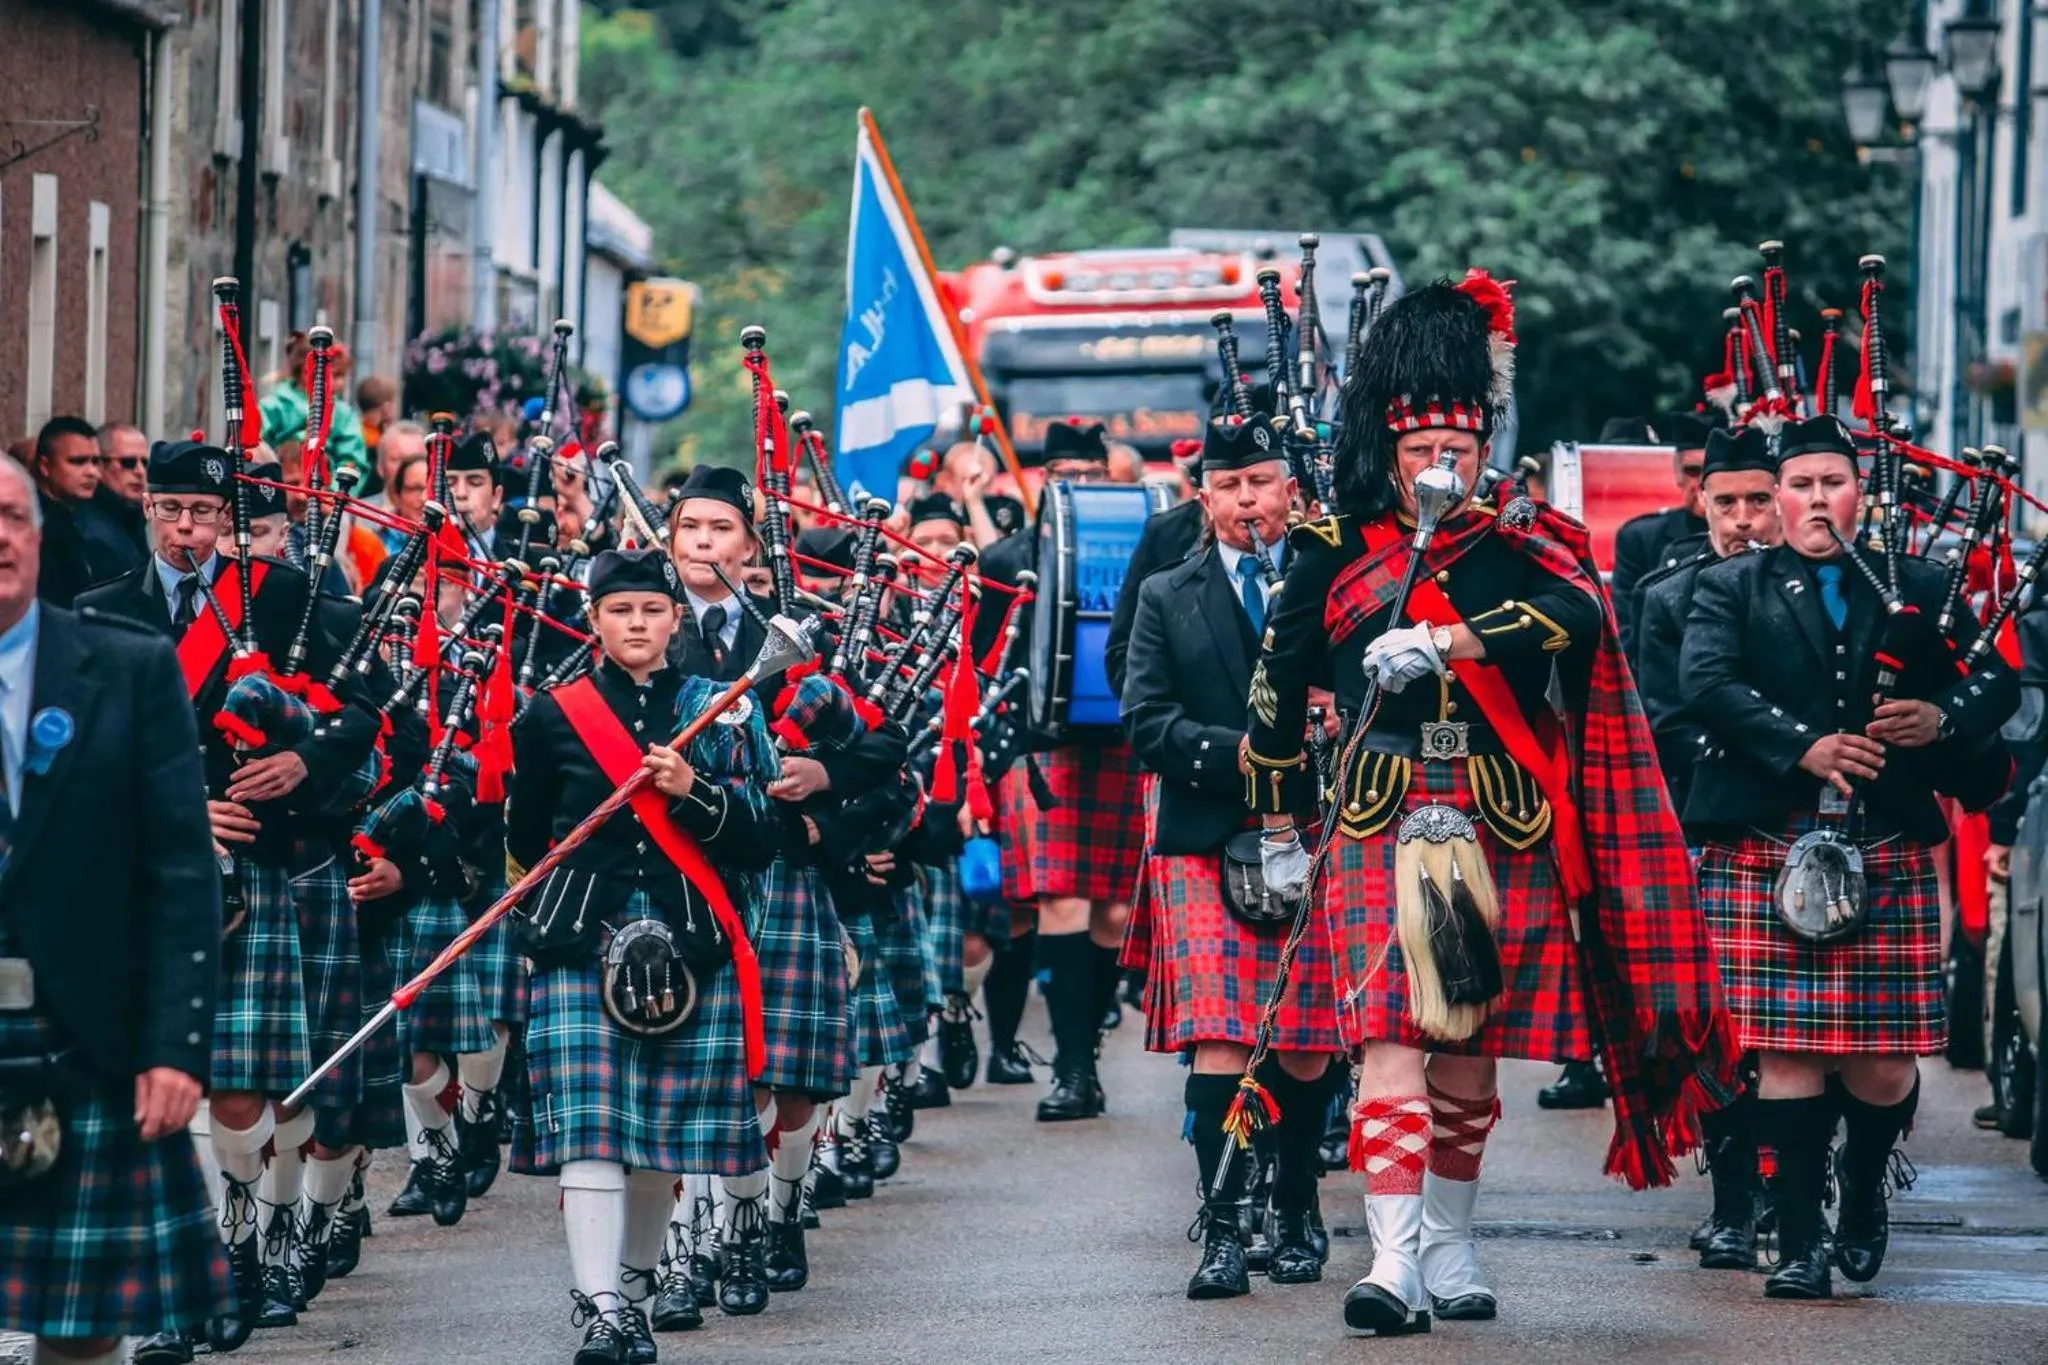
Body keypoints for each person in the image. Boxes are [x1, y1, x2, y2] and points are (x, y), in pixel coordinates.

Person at [1245, 274, 1734, 1335]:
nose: (1440, 467)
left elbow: (1580, 618)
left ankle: (1452, 1240)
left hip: (1493, 807)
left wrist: (1453, 639)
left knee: (1463, 1044)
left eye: (1457, 451)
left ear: (1482, 446)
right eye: (1422, 450)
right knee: (1386, 1037)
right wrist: (1276, 823)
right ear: (1385, 446)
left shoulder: (1521, 538)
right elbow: (1277, 688)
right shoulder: (1329, 546)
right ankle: (1389, 1260)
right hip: (1376, 810)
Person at [1680, 413, 2018, 1301]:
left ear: (1859, 492)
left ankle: (1863, 1192)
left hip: (1886, 840)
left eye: (1833, 481)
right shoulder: (1732, 586)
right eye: (1800, 484)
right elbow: (1706, 684)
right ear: (1780, 496)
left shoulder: (1916, 583)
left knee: (1880, 1064)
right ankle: (1798, 1239)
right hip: (1768, 837)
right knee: (1785, 1051)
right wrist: (1808, 747)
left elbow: (1997, 680)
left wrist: (1941, 717)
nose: (1816, 498)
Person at [79, 440, 379, 1364]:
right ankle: (193, 1269)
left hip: (269, 868)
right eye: (168, 508)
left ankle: (248, 1232)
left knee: (249, 1086)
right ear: (146, 510)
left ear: (227, 519)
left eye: (202, 514)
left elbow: (363, 708)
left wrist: (308, 760)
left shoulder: (283, 597)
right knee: (168, 1081)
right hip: (152, 874)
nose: (184, 528)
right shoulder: (100, 610)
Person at [507, 547, 780, 1365]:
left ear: (675, 619)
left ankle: (632, 1293)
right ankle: (599, 1311)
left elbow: (761, 834)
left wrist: (692, 790)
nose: (636, 623)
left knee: (661, 1135)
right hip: (579, 936)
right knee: (592, 1130)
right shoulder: (550, 715)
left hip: (689, 933)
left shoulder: (720, 707)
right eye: (619, 610)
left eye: (652, 610)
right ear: (594, 620)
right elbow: (526, 836)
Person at [0, 451, 234, 1365]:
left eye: (12, 518)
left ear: (41, 532)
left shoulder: (127, 668)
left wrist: (174, 1046)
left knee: (84, 1326)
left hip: (83, 1033)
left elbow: (179, 870)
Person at [1122, 412, 1337, 1299]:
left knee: (1306, 1042)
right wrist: (1240, 753)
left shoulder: (1332, 583)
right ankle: (1220, 1225)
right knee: (1222, 1036)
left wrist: (1332, 714)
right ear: (1203, 495)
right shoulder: (1167, 593)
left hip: (1318, 827)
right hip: (1206, 831)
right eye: (1229, 484)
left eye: (1262, 482)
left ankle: (1296, 1205)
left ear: (1290, 488)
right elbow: (1144, 719)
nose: (1247, 499)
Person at [1630, 422, 1781, 1270]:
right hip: (1712, 827)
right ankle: (1733, 1199)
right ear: (1701, 503)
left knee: (1800, 1033)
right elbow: (1662, 719)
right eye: (1727, 502)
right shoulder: (1668, 595)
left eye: (1761, 499)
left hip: (1813, 832)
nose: (1745, 518)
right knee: (1719, 1028)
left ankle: (1796, 1186)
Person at [978, 419, 1151, 1121]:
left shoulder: (1142, 550)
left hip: (1118, 742)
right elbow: (984, 665)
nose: (1073, 485)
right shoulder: (1004, 560)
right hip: (1040, 746)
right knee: (1060, 900)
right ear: (1043, 478)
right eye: (1061, 474)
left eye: (1088, 473)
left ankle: (1086, 1050)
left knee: (1112, 911)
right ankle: (1072, 1071)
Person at [260, 334, 369, 486]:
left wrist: (333, 493)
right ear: (307, 371)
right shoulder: (273, 407)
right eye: (336, 375)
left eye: (343, 376)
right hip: (276, 491)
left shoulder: (343, 415)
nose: (341, 383)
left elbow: (352, 460)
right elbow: (257, 449)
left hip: (326, 497)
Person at [29, 416, 102, 606]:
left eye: (95, 461)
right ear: (45, 466)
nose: (92, 472)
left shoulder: (69, 519)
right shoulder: (37, 527)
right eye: (78, 462)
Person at [81, 420, 150, 577]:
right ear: (100, 465)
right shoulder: (93, 533)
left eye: (145, 463)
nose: (140, 471)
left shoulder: (133, 516)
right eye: (128, 463)